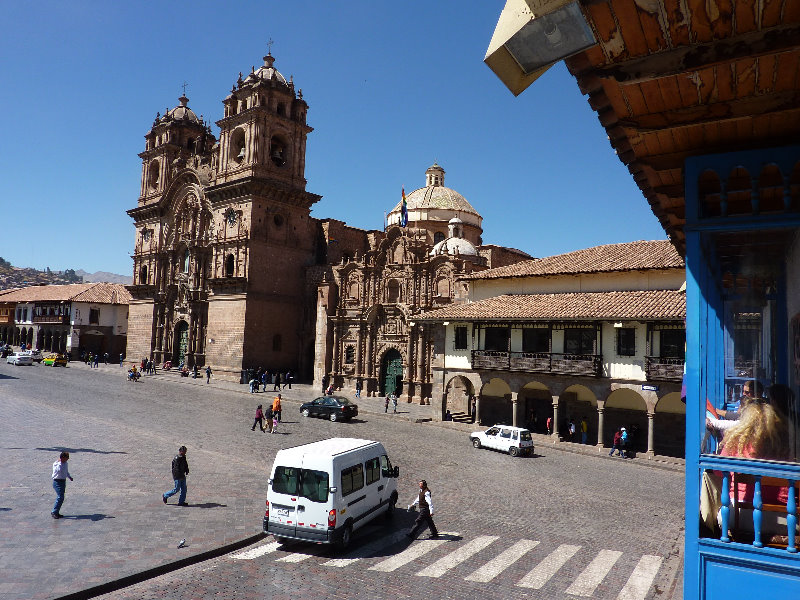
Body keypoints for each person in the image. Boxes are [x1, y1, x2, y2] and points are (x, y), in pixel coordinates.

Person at [700, 401, 792, 538]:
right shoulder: (787, 446)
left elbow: (719, 472)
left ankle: (709, 533)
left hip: (740, 516)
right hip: (786, 519)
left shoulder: (736, 443)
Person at [51, 451, 74, 519]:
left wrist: (69, 477)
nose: (67, 460)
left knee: (61, 497)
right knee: (60, 497)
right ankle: (54, 512)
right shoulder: (56, 464)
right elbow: (58, 470)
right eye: (66, 458)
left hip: (63, 481)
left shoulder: (65, 463)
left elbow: (66, 471)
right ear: (62, 458)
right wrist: (59, 462)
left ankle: (56, 512)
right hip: (57, 482)